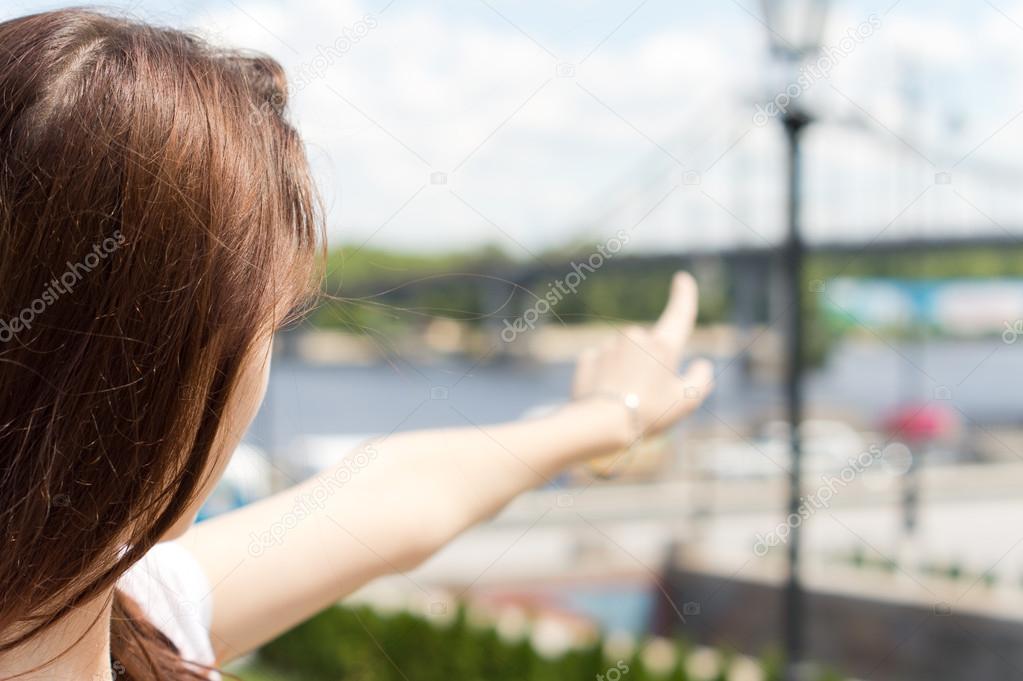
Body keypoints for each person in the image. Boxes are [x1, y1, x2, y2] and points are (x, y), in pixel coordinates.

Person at [0, 8, 713, 681]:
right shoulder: (126, 608)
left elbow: (389, 494)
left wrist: (608, 415)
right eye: (270, 324)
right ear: (158, 360)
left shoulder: (109, 601)